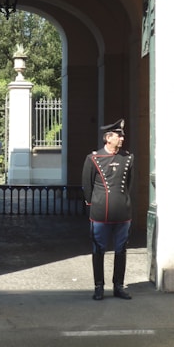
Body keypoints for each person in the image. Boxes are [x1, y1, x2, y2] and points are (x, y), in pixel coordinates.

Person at [82, 118, 134, 301]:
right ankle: (99, 287)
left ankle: (118, 286)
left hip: (122, 212)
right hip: (101, 213)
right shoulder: (94, 158)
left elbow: (128, 184)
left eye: (122, 136)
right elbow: (87, 186)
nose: (122, 139)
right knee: (99, 250)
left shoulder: (128, 157)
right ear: (108, 138)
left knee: (121, 250)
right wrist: (92, 205)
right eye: (118, 136)